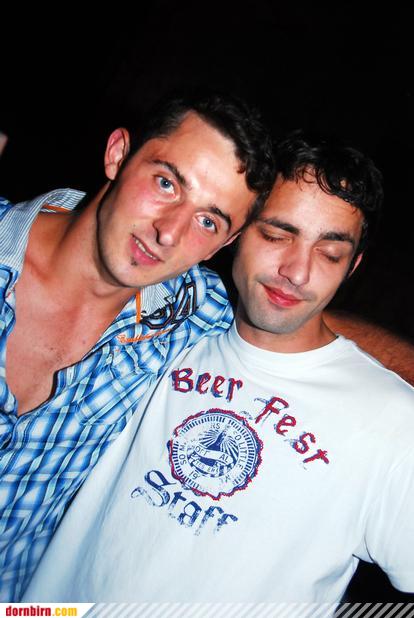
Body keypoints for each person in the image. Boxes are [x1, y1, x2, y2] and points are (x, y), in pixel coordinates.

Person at [23, 130, 414, 604]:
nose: (297, 271)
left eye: (330, 254)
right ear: (235, 234)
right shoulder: (163, 327)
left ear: (352, 267)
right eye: (276, 235)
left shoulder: (393, 422)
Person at [0, 89, 276, 601]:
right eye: (166, 183)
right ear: (118, 155)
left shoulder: (195, 319)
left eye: (208, 220)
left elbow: (307, 329)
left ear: (222, 245)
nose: (170, 233)